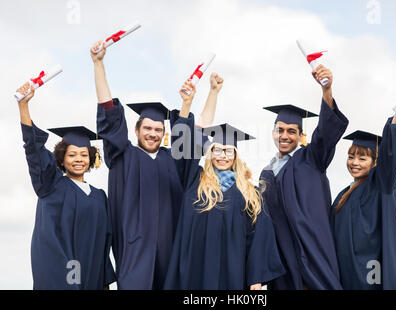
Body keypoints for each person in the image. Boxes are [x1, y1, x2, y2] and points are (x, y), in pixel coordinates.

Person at [91, 41, 223, 289]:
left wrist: (200, 98)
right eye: (147, 128)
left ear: (164, 133)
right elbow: (109, 115)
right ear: (136, 130)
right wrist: (98, 65)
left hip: (169, 256)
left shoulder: (172, 161)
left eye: (158, 129)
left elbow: (195, 132)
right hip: (133, 255)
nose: (152, 133)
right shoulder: (122, 156)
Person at [164, 80, 285, 290]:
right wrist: (208, 95)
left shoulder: (250, 193)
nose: (222, 156)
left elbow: (259, 237)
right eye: (217, 150)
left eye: (228, 151)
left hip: (233, 275)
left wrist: (255, 278)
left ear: (236, 155)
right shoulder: (194, 181)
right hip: (193, 273)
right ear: (209, 153)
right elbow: (185, 146)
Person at [16, 82, 116, 290]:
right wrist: (23, 107)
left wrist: (105, 282)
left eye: (83, 155)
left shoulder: (100, 196)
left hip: (93, 279)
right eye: (71, 155)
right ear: (61, 159)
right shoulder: (51, 185)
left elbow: (105, 243)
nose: (78, 159)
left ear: (91, 159)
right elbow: (34, 152)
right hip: (64, 278)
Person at [259, 65, 349, 289]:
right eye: (280, 130)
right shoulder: (265, 175)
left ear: (301, 136)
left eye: (291, 131)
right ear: (273, 132)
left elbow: (326, 133)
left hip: (313, 255)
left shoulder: (312, 159)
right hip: (282, 262)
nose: (285, 135)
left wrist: (326, 91)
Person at [329, 95, 396, 290]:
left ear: (375, 162)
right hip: (344, 273)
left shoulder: (380, 185)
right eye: (351, 157)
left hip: (370, 272)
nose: (354, 163)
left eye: (362, 158)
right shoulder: (343, 194)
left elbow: (390, 158)